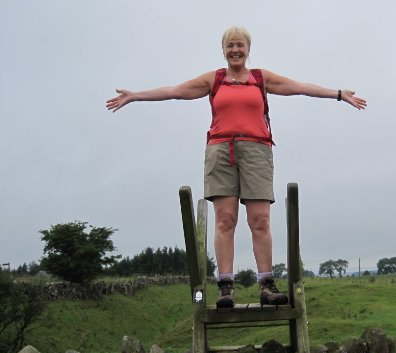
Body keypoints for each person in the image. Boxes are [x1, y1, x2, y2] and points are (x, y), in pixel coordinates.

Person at [106, 26, 367, 308]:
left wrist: (338, 94)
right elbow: (175, 91)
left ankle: (267, 286)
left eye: (240, 45)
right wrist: (135, 96)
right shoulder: (214, 79)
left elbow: (300, 88)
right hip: (221, 151)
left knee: (260, 220)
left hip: (257, 151)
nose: (235, 50)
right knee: (225, 220)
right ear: (224, 50)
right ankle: (226, 288)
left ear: (248, 49)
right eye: (230, 46)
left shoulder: (260, 78)